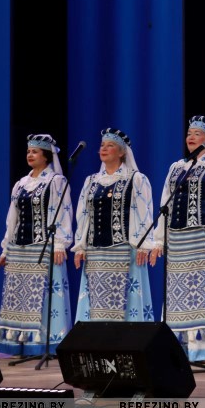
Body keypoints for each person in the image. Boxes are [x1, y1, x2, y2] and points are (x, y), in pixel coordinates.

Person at [150, 116, 205, 362]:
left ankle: (204, 350)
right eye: (189, 134)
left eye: (197, 134)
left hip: (202, 238)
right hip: (177, 239)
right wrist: (159, 240)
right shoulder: (177, 167)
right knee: (176, 295)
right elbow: (165, 201)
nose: (191, 138)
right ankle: (178, 349)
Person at [0, 134, 73, 356]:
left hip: (43, 246)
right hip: (19, 248)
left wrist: (59, 244)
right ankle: (20, 342)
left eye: (35, 152)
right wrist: (6, 249)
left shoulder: (56, 181)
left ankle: (45, 342)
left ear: (46, 156)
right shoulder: (21, 184)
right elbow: (12, 218)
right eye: (29, 151)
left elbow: (63, 212)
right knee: (19, 296)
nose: (30, 155)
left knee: (43, 295)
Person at [72, 128, 154, 322]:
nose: (104, 148)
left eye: (110, 145)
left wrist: (143, 244)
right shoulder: (91, 181)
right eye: (102, 145)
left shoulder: (135, 179)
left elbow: (144, 212)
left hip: (125, 250)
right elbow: (83, 215)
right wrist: (80, 246)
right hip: (95, 252)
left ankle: (126, 338)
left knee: (126, 301)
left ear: (122, 152)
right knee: (96, 303)